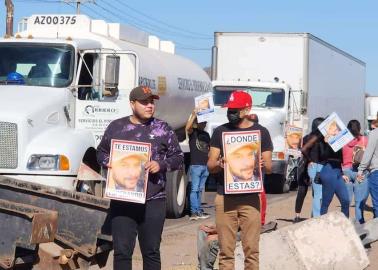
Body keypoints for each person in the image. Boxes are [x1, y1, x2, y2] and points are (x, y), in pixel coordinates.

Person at [96, 85, 184, 270]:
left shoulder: (162, 128)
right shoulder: (116, 127)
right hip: (123, 199)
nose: (149, 106)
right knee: (122, 252)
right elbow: (101, 152)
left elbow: (178, 157)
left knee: (151, 251)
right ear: (132, 104)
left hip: (153, 199)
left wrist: (160, 165)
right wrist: (108, 162)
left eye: (151, 102)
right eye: (144, 102)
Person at [207, 90, 273, 269]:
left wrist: (262, 163)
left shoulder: (261, 132)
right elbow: (210, 165)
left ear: (247, 109)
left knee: (251, 251)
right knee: (225, 252)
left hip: (251, 199)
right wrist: (218, 164)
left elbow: (269, 167)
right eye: (229, 109)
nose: (231, 113)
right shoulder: (220, 132)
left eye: (235, 109)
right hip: (224, 198)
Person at [294, 117, 325, 222]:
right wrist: (311, 160)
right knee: (317, 193)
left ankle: (297, 216)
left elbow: (301, 149)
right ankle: (314, 215)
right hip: (314, 167)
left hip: (304, 167)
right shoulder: (321, 139)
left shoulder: (307, 137)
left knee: (302, 191)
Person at [319, 124, 350, 217]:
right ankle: (322, 225)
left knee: (345, 200)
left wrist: (341, 174)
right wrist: (326, 143)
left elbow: (339, 160)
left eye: (337, 129)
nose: (336, 131)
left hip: (337, 173)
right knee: (326, 202)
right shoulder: (324, 141)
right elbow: (323, 157)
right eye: (334, 129)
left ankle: (345, 224)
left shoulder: (339, 144)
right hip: (328, 171)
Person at [185, 108, 211, 220]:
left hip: (205, 166)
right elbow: (187, 128)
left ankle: (199, 210)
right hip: (195, 165)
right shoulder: (193, 133)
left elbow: (209, 149)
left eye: (205, 122)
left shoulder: (206, 134)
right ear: (197, 123)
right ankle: (193, 212)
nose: (204, 124)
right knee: (194, 189)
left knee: (200, 190)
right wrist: (193, 114)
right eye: (202, 122)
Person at [342, 120, 369, 224]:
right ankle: (360, 223)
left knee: (346, 202)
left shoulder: (342, 141)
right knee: (359, 201)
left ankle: (344, 223)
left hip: (345, 172)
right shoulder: (364, 140)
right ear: (360, 128)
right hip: (360, 172)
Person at [357, 123, 378, 218]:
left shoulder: (374, 134)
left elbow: (368, 154)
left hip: (376, 171)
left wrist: (360, 169)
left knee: (377, 203)